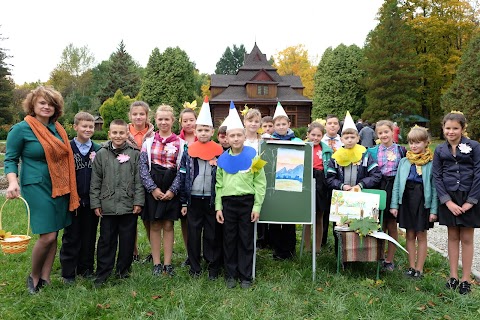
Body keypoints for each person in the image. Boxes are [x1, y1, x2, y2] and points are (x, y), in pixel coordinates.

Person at [5, 85, 80, 294]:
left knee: (54, 232)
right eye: (42, 103)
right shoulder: (21, 129)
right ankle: (34, 276)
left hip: (60, 185)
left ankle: (45, 278)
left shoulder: (58, 129)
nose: (47, 107)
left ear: (57, 108)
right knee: (47, 235)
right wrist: (12, 181)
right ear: (33, 105)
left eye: (51, 104)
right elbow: (10, 159)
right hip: (36, 186)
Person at [215, 101, 266, 288]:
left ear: (244, 136)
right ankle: (230, 274)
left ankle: (245, 275)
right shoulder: (222, 159)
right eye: (232, 136)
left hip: (247, 202)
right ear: (226, 138)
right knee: (229, 239)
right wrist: (218, 207)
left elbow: (260, 183)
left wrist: (257, 206)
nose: (235, 139)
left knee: (246, 239)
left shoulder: (254, 157)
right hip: (228, 203)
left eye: (239, 135)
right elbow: (218, 185)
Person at [90, 119, 144, 286]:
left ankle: (123, 271)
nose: (118, 136)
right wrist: (96, 203)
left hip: (129, 206)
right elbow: (95, 181)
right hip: (107, 205)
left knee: (127, 239)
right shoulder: (101, 154)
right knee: (106, 240)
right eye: (115, 132)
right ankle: (103, 272)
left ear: (127, 134)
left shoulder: (135, 153)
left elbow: (139, 181)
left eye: (121, 132)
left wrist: (138, 201)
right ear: (109, 134)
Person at [433, 112, 480, 295]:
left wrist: (471, 201)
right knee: (452, 236)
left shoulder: (474, 146)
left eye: (455, 128)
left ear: (462, 129)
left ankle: (466, 278)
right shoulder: (439, 150)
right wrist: (447, 201)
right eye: (447, 128)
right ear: (443, 128)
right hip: (449, 198)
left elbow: (478, 174)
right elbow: (437, 176)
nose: (451, 131)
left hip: (469, 196)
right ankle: (453, 276)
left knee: (467, 238)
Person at [176, 97, 223, 279]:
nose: (203, 133)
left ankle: (212, 266)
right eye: (200, 130)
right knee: (194, 234)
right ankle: (194, 266)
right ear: (195, 131)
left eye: (206, 130)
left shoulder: (219, 151)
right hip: (193, 198)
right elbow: (182, 174)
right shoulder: (188, 151)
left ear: (212, 131)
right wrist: (183, 201)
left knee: (211, 234)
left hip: (211, 199)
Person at [139, 105, 185, 277]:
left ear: (173, 121)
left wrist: (174, 189)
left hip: (172, 184)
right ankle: (157, 263)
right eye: (160, 119)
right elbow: (143, 167)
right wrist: (152, 188)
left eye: (167, 119)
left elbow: (183, 169)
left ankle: (168, 263)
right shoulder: (148, 142)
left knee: (168, 224)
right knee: (155, 223)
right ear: (155, 121)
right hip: (154, 186)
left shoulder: (181, 144)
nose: (164, 122)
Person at [390, 126, 437, 279]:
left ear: (426, 143)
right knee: (409, 234)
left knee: (421, 234)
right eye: (411, 142)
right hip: (406, 199)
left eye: (418, 142)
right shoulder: (404, 161)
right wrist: (394, 205)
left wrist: (433, 210)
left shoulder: (431, 162)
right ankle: (411, 266)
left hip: (423, 200)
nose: (414, 146)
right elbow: (397, 184)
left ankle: (419, 268)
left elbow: (435, 187)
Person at [60, 112, 102, 284]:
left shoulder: (99, 150)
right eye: (84, 126)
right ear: (75, 127)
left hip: (91, 200)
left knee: (90, 235)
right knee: (71, 235)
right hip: (73, 200)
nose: (87, 129)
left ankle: (86, 268)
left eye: (90, 126)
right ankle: (68, 272)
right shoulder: (67, 148)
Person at [367, 120, 407, 272]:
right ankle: (379, 256)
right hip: (378, 186)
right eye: (380, 133)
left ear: (392, 132)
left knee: (391, 224)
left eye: (386, 132)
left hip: (394, 187)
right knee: (379, 224)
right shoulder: (372, 151)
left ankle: (390, 259)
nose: (384, 135)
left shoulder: (401, 150)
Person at [269, 102, 303, 260]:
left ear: (289, 124)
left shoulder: (297, 141)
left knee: (289, 218)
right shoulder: (269, 141)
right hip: (273, 185)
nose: (281, 127)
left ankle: (289, 250)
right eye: (278, 124)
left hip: (291, 186)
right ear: (274, 126)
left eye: (284, 124)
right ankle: (277, 249)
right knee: (275, 218)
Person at [326, 111, 381, 200]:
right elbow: (330, 178)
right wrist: (341, 186)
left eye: (352, 137)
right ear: (341, 139)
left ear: (358, 138)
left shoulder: (365, 154)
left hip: (361, 195)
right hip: (341, 196)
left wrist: (361, 185)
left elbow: (376, 175)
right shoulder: (336, 157)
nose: (350, 140)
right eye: (346, 138)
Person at [127, 100, 155, 263]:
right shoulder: (124, 133)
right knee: (130, 218)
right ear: (130, 116)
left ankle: (153, 250)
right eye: (135, 114)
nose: (138, 117)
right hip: (128, 181)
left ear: (147, 115)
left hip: (148, 181)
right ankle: (133, 250)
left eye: (142, 114)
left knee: (148, 218)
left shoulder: (153, 135)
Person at [303, 121, 333, 252]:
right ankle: (307, 246)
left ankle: (318, 247)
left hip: (321, 181)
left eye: (318, 135)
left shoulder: (326, 150)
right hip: (307, 179)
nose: (315, 138)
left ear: (322, 136)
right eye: (313, 135)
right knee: (306, 215)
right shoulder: (303, 147)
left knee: (319, 215)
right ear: (308, 134)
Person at [177, 106, 197, 267]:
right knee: (185, 221)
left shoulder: (203, 137)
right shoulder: (177, 141)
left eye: (191, 120)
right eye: (185, 121)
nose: (189, 123)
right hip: (183, 185)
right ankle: (189, 252)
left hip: (200, 186)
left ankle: (200, 251)